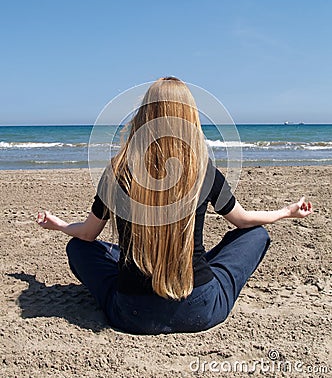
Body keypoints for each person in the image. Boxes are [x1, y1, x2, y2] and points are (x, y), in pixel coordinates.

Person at [37, 77, 313, 334]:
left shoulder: (118, 172)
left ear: (143, 116)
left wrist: (59, 225)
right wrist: (286, 212)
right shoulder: (202, 171)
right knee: (256, 234)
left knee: (79, 248)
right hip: (200, 309)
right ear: (189, 119)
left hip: (132, 315)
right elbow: (242, 221)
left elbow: (87, 234)